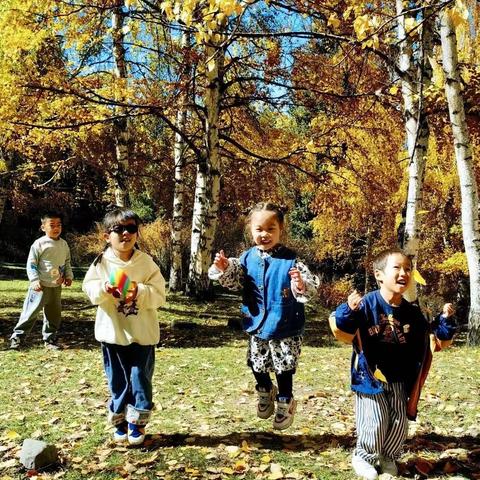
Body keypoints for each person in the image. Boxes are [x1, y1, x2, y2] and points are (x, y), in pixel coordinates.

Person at [329, 248, 456, 480]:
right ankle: (364, 456)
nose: (403, 273)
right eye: (397, 268)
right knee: (376, 419)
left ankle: (388, 456)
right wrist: (349, 309)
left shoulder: (412, 312)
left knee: (398, 422)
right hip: (370, 377)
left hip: (399, 378)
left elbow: (431, 337)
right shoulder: (367, 304)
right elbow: (343, 326)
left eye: (408, 269)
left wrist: (445, 321)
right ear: (379, 275)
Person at [208, 201, 319, 430]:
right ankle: (266, 390)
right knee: (257, 364)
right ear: (250, 230)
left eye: (271, 229)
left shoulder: (291, 260)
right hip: (257, 323)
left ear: (280, 230)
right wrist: (224, 267)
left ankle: (285, 401)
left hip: (284, 325)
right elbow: (235, 280)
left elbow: (308, 287)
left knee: (283, 366)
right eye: (259, 229)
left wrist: (299, 283)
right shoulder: (247, 258)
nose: (265, 234)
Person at [82, 208, 166, 446]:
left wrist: (138, 291)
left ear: (137, 234)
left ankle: (137, 423)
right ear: (107, 236)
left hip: (142, 334)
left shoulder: (146, 263)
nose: (126, 234)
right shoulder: (102, 263)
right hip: (113, 333)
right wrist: (104, 290)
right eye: (119, 229)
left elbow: (160, 295)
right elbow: (89, 289)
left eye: (131, 229)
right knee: (118, 381)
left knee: (140, 379)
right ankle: (119, 420)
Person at [10, 211, 73, 350]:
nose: (56, 228)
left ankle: (50, 339)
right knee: (30, 312)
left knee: (54, 315)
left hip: (56, 286)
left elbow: (67, 262)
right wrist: (34, 280)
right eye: (52, 225)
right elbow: (31, 263)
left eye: (59, 225)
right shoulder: (39, 244)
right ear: (43, 227)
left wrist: (68, 276)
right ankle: (17, 337)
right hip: (40, 286)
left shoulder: (63, 244)